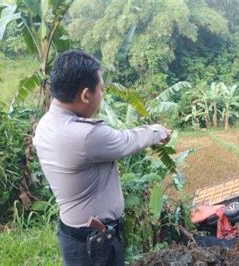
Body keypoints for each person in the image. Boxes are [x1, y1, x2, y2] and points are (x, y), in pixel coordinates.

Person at [33, 50, 171, 265]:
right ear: (85, 95)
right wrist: (159, 132)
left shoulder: (46, 124)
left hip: (75, 237)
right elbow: (127, 141)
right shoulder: (87, 135)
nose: (102, 95)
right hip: (95, 245)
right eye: (101, 90)